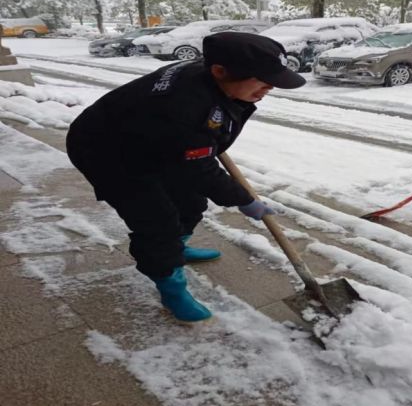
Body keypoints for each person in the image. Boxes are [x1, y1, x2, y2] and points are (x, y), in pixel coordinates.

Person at [66, 32, 306, 322]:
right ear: (219, 71)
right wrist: (243, 200)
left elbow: (194, 153)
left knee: (190, 202)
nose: (269, 88)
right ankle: (171, 285)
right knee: (157, 222)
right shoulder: (183, 108)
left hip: (155, 139)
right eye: (262, 80)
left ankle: (177, 247)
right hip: (108, 153)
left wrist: (205, 142)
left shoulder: (210, 80)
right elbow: (198, 168)